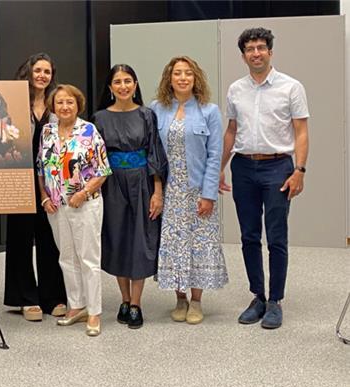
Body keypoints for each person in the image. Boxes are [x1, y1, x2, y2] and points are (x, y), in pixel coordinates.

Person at [220, 28, 309, 329]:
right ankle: (258, 295)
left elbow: (301, 131)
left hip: (278, 168)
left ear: (270, 51)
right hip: (243, 167)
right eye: (249, 49)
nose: (255, 53)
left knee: (276, 236)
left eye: (260, 47)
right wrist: (219, 167)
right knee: (248, 235)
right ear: (243, 55)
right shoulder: (236, 89)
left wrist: (300, 170)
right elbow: (231, 130)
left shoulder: (291, 87)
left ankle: (275, 300)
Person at [151, 56, 228, 324]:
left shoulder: (209, 110)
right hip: (171, 193)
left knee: (199, 245)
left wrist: (209, 194)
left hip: (197, 191)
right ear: (169, 79)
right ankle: (179, 299)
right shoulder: (156, 109)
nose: (182, 78)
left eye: (188, 73)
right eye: (177, 73)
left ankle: (196, 301)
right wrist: (157, 190)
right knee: (174, 245)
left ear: (195, 78)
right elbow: (153, 153)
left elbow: (215, 154)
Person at [93, 64, 168, 329]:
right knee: (117, 239)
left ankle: (136, 303)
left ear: (135, 85)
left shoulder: (147, 115)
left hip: (142, 184)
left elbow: (154, 154)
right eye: (117, 82)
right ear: (110, 87)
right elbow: (95, 158)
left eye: (128, 81)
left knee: (140, 241)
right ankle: (124, 299)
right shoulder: (99, 118)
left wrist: (157, 192)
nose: (123, 86)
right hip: (111, 185)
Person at [38, 84, 111, 336]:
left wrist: (83, 193)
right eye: (59, 103)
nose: (65, 106)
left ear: (77, 104)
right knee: (66, 257)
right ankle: (76, 305)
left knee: (88, 259)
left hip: (85, 204)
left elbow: (103, 170)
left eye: (69, 102)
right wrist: (44, 196)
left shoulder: (88, 131)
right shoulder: (47, 131)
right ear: (53, 107)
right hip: (56, 206)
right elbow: (41, 168)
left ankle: (94, 311)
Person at [3, 53, 67, 321]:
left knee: (50, 236)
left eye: (47, 72)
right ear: (28, 72)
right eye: (38, 70)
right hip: (19, 177)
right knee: (20, 236)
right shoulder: (13, 103)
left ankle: (52, 297)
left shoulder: (57, 104)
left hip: (50, 179)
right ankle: (25, 298)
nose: (42, 75)